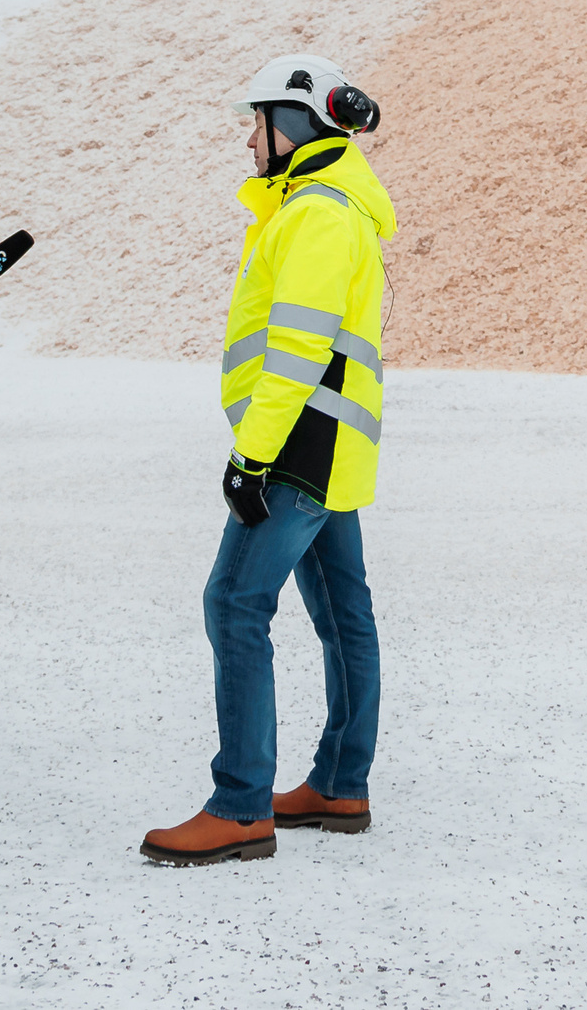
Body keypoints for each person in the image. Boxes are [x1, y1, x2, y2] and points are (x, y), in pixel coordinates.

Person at [141, 54, 392, 866]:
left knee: (234, 602)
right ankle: (340, 785)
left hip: (296, 446)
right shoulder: (324, 204)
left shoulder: (317, 213)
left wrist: (250, 456)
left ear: (294, 126)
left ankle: (241, 804)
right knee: (343, 613)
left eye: (258, 122)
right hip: (328, 445)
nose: (249, 139)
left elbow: (297, 349)